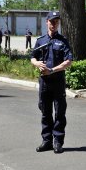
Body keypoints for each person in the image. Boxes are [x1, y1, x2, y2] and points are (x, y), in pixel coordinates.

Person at [31, 11, 73, 154]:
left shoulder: (63, 41)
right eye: (52, 21)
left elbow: (68, 61)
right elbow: (32, 57)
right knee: (45, 111)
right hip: (44, 81)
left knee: (60, 112)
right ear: (46, 22)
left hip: (58, 81)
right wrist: (37, 64)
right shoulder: (40, 40)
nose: (54, 24)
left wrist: (53, 70)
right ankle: (47, 141)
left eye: (57, 21)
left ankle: (58, 141)